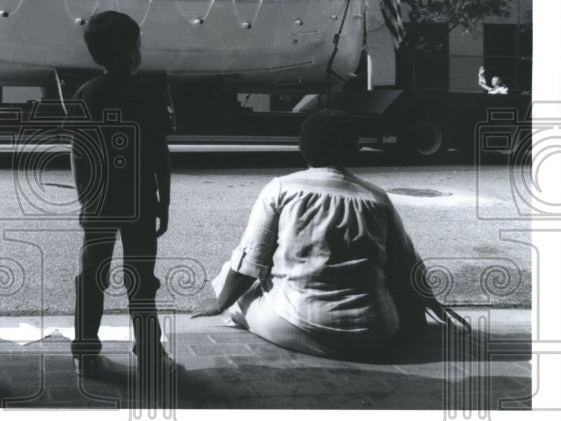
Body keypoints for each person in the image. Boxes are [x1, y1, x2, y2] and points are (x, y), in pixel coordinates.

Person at [191, 109, 446, 360]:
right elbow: (406, 264)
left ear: (303, 147)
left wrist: (220, 303)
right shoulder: (377, 198)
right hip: (373, 331)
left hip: (295, 326)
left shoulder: (281, 189)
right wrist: (429, 305)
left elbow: (249, 263)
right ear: (354, 150)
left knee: (229, 274)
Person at [69, 11, 177, 383]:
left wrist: (86, 197)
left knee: (92, 278)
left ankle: (85, 353)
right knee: (141, 279)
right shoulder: (148, 92)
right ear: (131, 49)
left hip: (98, 202)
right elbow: (159, 152)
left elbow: (78, 153)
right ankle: (148, 350)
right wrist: (164, 200)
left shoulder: (87, 93)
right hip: (141, 201)